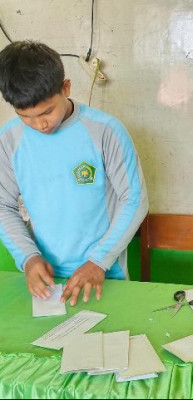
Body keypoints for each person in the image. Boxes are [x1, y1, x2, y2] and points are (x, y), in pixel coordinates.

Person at [0, 40, 148, 307]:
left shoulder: (105, 131)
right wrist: (28, 257)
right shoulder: (8, 140)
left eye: (47, 111)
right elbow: (3, 206)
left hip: (104, 274)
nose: (39, 124)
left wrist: (99, 261)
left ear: (66, 88)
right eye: (26, 116)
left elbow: (134, 200)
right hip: (48, 282)